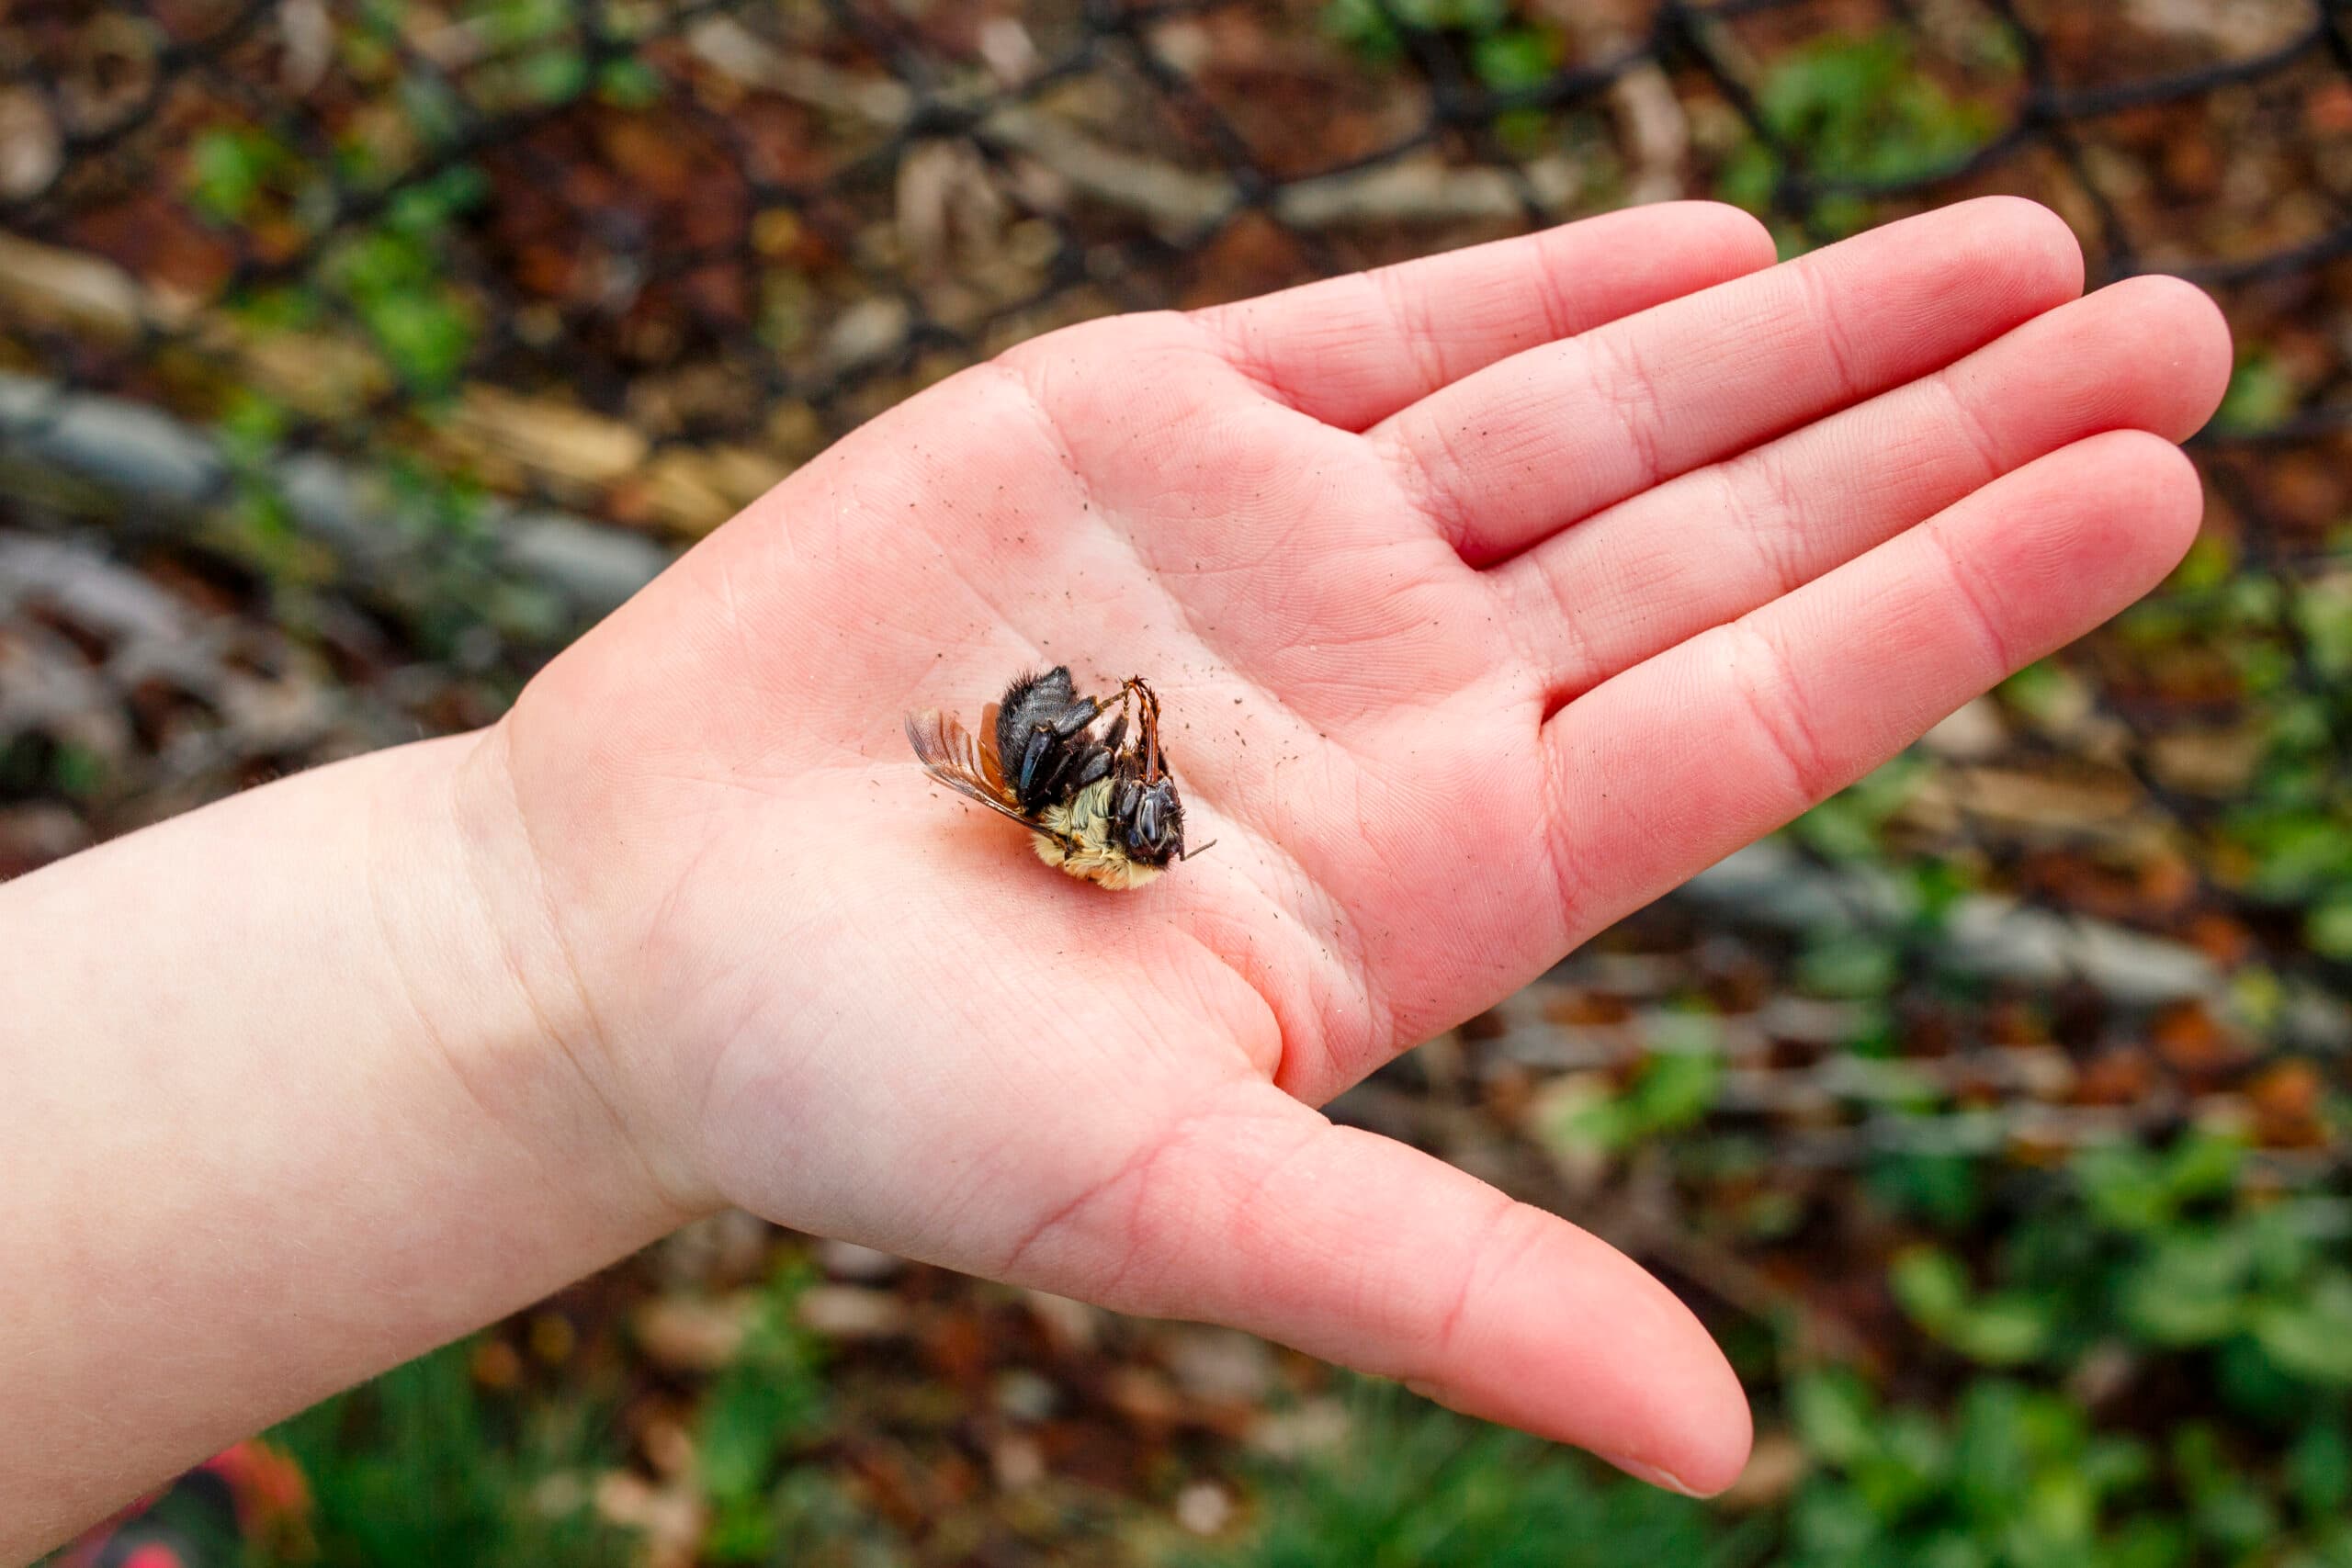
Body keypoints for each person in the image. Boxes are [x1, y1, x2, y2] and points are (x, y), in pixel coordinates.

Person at [0, 197, 2230, 1559]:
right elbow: (1028, 787)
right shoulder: (1043, 796)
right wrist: (536, 945)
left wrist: (529, 942)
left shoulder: (1096, 794)